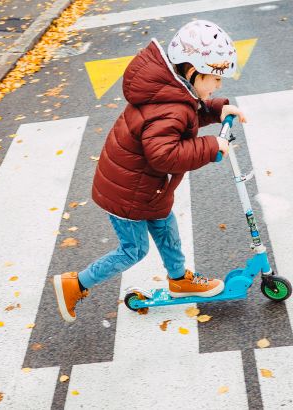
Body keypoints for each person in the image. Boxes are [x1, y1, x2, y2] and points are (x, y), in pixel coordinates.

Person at [53, 20, 247, 322]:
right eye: (215, 79)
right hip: (129, 193)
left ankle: (179, 278)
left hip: (144, 186)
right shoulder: (170, 105)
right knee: (133, 250)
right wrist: (212, 146)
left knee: (165, 224)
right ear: (192, 72)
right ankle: (75, 283)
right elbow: (164, 154)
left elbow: (189, 113)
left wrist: (217, 108)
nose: (218, 86)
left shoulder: (173, 91)